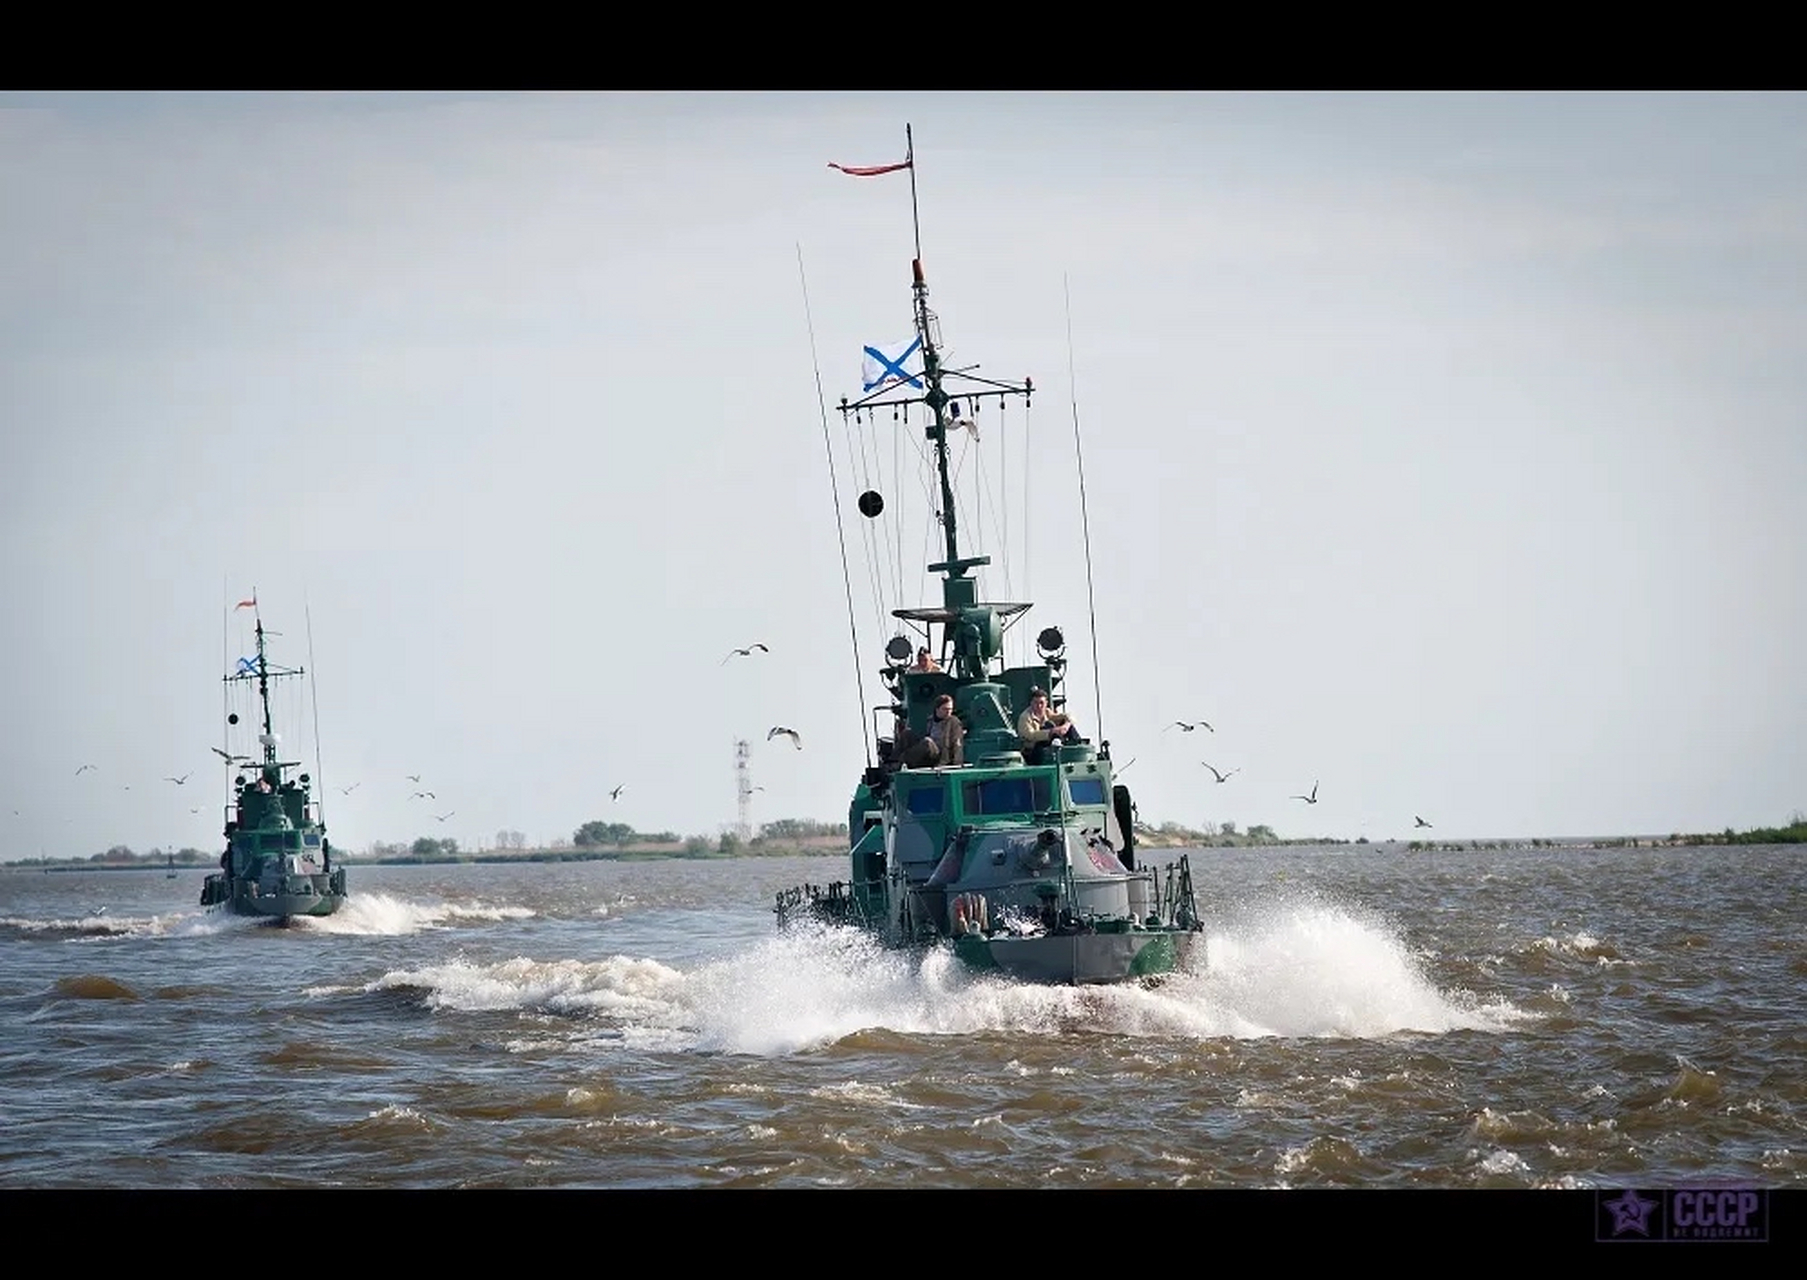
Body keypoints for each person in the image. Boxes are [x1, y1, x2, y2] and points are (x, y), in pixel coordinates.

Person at [1017, 686, 1079, 762]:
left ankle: (1076, 746)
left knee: (1066, 725)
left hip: (1048, 744)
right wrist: (1051, 732)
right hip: (1032, 751)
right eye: (1036, 703)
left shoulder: (1047, 712)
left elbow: (1068, 716)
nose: (1039, 706)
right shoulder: (1025, 717)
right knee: (1049, 728)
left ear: (1046, 703)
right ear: (1031, 703)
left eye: (1041, 703)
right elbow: (1030, 735)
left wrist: (1066, 726)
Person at [926, 693, 965, 766]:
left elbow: (957, 742)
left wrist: (958, 763)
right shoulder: (930, 721)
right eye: (945, 709)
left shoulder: (954, 722)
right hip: (929, 754)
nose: (948, 712)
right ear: (937, 709)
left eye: (950, 709)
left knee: (927, 742)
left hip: (941, 756)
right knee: (907, 734)